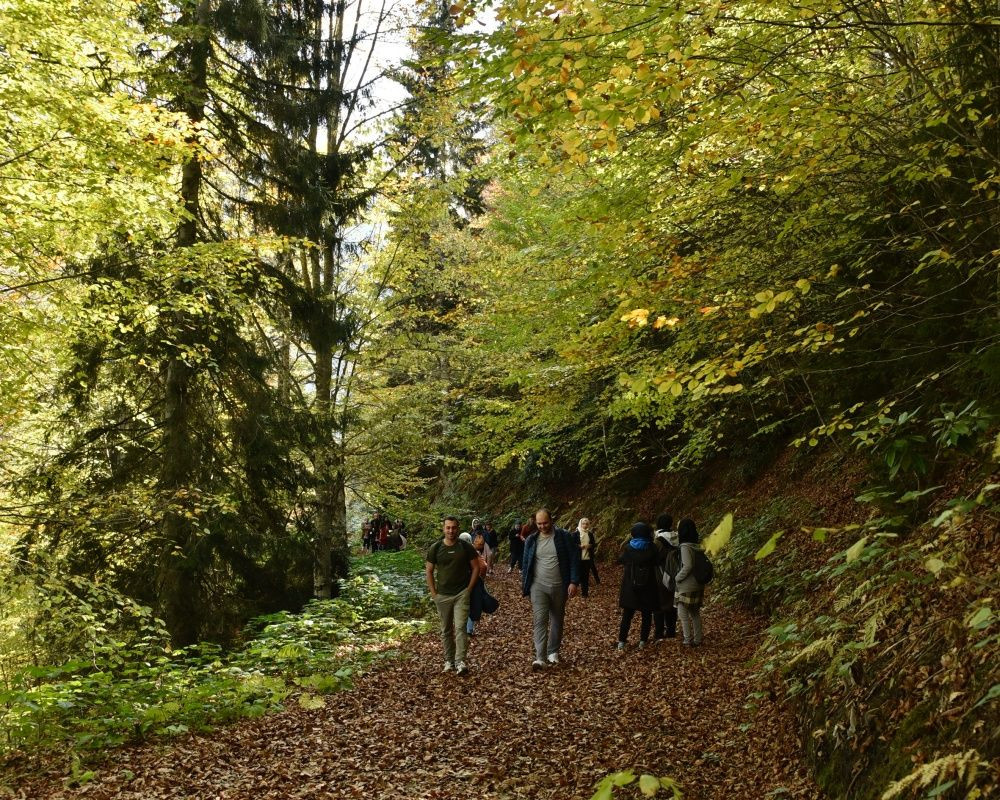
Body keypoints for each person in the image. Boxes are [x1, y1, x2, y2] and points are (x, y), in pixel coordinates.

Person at [521, 508, 580, 669]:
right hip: (538, 586)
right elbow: (526, 564)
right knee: (540, 620)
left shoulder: (564, 537)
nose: (542, 526)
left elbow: (574, 559)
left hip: (560, 585)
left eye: (545, 523)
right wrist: (525, 585)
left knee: (557, 618)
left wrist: (574, 581)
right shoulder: (531, 540)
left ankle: (553, 651)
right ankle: (540, 657)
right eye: (539, 523)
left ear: (551, 520)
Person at [425, 517, 480, 674]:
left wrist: (468, 589)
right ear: (443, 529)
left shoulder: (465, 547)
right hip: (442, 595)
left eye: (454, 528)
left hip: (461, 594)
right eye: (448, 528)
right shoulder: (435, 548)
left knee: (461, 627)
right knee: (446, 629)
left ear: (458, 528)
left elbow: (476, 567)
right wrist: (434, 593)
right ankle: (449, 661)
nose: (451, 531)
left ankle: (460, 661)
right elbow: (429, 570)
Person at [616, 521, 662, 651]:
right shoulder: (652, 547)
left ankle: (622, 642)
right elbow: (658, 561)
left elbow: (621, 560)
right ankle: (642, 641)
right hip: (648, 585)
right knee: (646, 615)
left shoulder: (628, 548)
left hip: (631, 585)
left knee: (627, 615)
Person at [674, 518, 705, 647]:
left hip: (686, 585)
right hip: (698, 583)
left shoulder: (685, 547)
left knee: (682, 613)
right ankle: (698, 639)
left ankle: (687, 639)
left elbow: (688, 565)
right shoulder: (697, 546)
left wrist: (677, 578)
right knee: (695, 612)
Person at [652, 513, 678, 641]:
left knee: (658, 604)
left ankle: (659, 632)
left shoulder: (658, 541)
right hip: (676, 575)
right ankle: (671, 630)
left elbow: (653, 558)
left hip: (660, 575)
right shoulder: (677, 538)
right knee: (672, 603)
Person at [465, 532, 490, 636]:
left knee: (466, 605)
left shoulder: (459, 551)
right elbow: (483, 567)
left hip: (463, 583)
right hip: (473, 582)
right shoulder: (473, 552)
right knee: (472, 604)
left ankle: (466, 629)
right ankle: (468, 629)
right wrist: (480, 578)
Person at [573, 517, 600, 598]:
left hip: (587, 558)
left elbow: (594, 544)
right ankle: (573, 591)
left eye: (586, 524)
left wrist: (589, 546)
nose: (585, 525)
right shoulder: (575, 534)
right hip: (578, 558)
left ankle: (585, 593)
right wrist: (579, 546)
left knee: (585, 576)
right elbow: (571, 544)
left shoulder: (590, 534)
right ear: (580, 524)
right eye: (583, 523)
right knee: (578, 576)